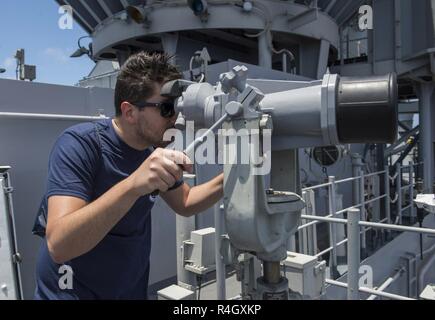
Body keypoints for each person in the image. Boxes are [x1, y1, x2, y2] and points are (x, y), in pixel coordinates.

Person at [32, 52, 223, 299]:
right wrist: (134, 184)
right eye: (166, 108)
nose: (175, 117)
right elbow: (59, 245)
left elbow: (185, 202)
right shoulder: (79, 144)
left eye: (176, 107)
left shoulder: (153, 151)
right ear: (130, 111)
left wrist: (235, 174)